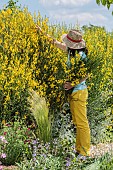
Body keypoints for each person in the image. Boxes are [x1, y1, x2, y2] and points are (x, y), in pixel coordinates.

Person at [36, 25, 90, 160]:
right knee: (77, 122)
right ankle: (79, 150)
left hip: (79, 92)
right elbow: (55, 43)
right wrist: (41, 32)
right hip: (74, 92)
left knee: (82, 123)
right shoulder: (70, 51)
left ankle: (84, 152)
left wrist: (72, 83)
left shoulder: (81, 56)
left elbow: (86, 74)